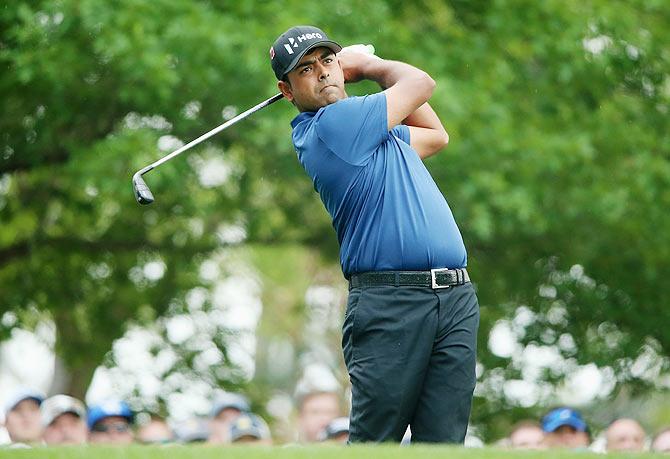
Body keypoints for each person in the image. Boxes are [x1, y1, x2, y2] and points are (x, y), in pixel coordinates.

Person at [270, 25, 479, 444]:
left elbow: (436, 137)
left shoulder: (374, 132)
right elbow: (421, 83)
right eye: (306, 69)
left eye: (327, 60)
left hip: (454, 298)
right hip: (392, 304)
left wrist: (358, 70)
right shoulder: (332, 126)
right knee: (375, 443)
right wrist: (367, 65)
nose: (323, 73)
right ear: (288, 91)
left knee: (443, 445)